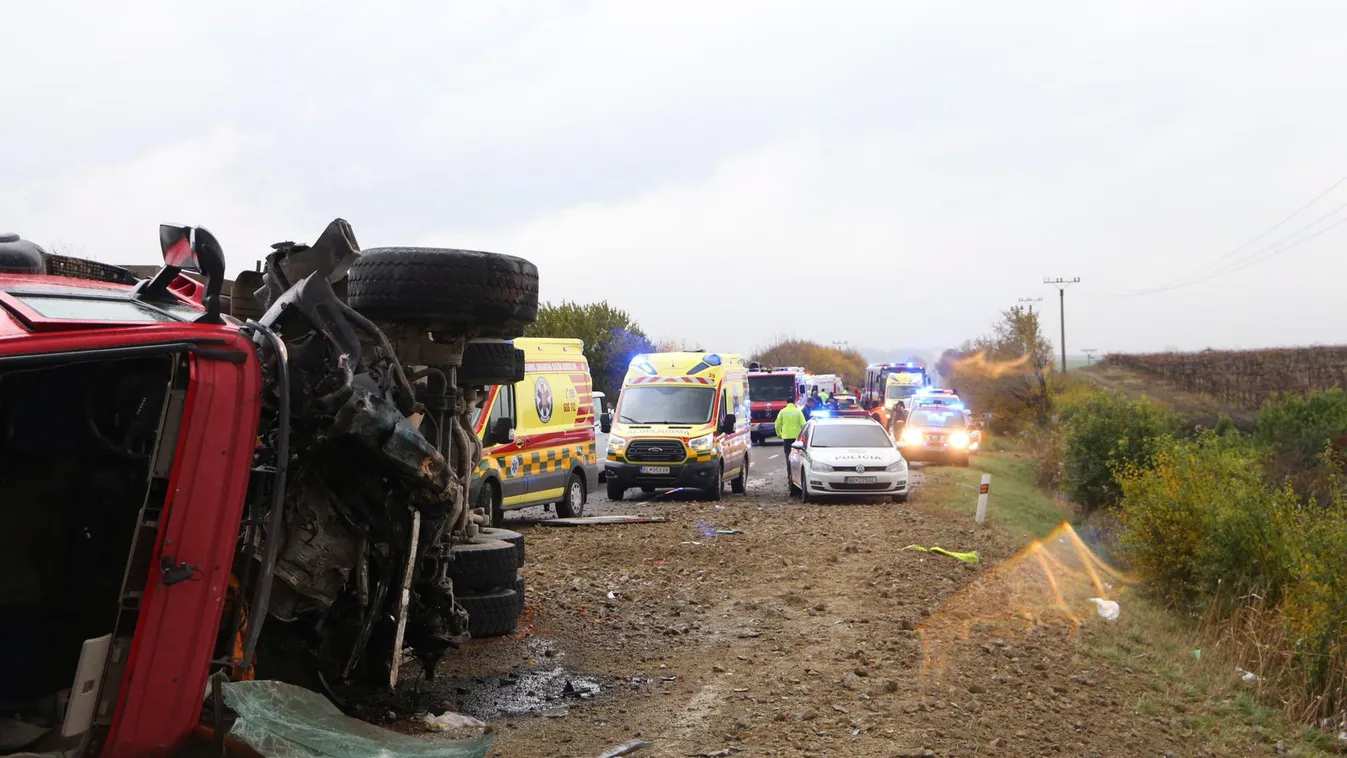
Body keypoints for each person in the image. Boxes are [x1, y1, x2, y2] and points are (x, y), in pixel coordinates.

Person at [774, 399, 805, 468]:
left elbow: (777, 424)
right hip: (796, 438)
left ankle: (789, 474)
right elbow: (803, 424)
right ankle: (796, 472)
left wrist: (779, 434)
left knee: (788, 455)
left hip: (786, 437)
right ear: (794, 403)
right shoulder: (798, 411)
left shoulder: (782, 411)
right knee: (797, 455)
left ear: (787, 403)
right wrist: (803, 436)